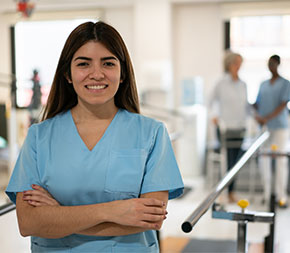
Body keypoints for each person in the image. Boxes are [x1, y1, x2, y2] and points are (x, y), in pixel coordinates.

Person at [6, 21, 184, 252]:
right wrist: (114, 211)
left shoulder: (151, 134)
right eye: (83, 64)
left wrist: (58, 215)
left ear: (122, 74)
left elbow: (151, 219)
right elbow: (29, 222)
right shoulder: (39, 137)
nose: (97, 74)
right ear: (68, 75)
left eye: (108, 63)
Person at [210, 51, 248, 203]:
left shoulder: (243, 84)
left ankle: (232, 191)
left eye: (240, 63)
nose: (239, 66)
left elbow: (245, 106)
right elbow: (211, 101)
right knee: (227, 160)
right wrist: (214, 116)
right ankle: (224, 191)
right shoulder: (220, 83)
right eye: (236, 63)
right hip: (225, 127)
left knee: (236, 162)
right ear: (230, 64)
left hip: (240, 127)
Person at [254, 55, 290, 208]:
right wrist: (255, 114)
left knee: (280, 160)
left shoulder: (285, 83)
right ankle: (267, 194)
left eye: (273, 64)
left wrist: (267, 117)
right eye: (269, 63)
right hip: (264, 127)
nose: (271, 66)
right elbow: (257, 103)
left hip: (279, 126)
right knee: (264, 161)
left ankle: (281, 196)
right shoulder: (263, 84)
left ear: (278, 64)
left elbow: (283, 104)